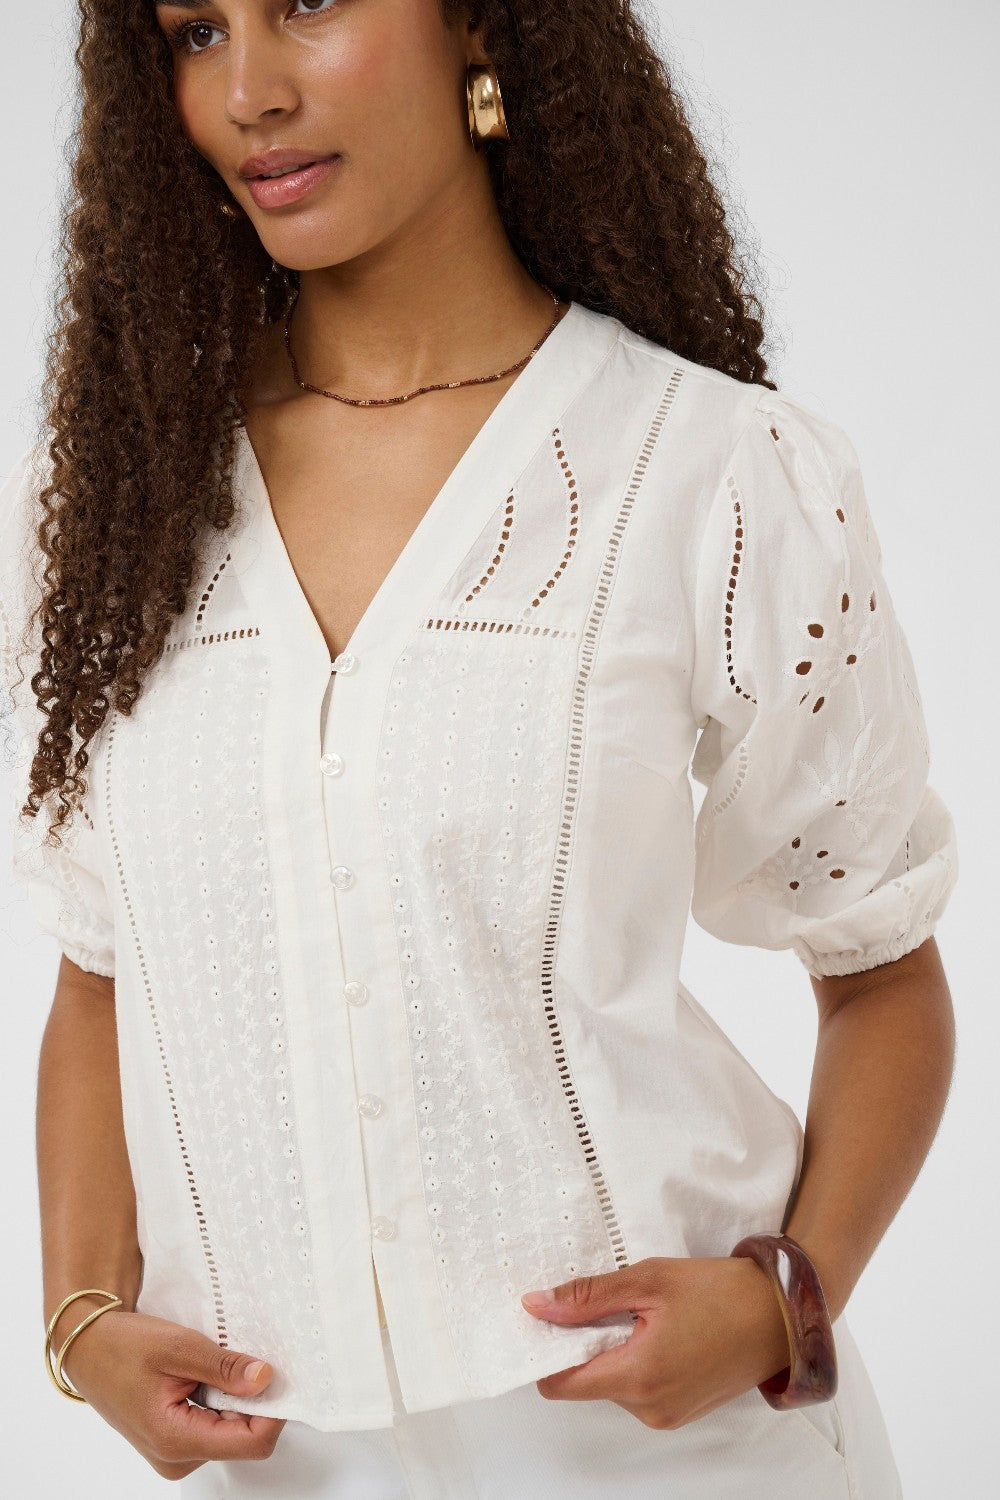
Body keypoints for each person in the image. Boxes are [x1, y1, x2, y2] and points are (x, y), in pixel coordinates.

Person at [1, 1, 958, 1496]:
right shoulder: (121, 502)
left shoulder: (713, 468)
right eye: (193, 31)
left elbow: (883, 975)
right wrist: (80, 1319)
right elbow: (95, 976)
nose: (248, 88)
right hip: (289, 1463)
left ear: (478, 26)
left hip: (677, 1455)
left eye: (307, 3)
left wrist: (785, 1300)